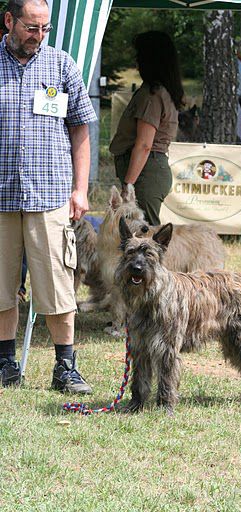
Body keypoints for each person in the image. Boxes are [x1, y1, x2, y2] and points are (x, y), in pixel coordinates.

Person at [0, 0, 97, 393]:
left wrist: (81, 188)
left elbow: (81, 129)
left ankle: (65, 368)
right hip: (1, 197)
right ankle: (5, 363)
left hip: (50, 194)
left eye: (45, 29)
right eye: (30, 28)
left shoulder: (61, 64)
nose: (38, 37)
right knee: (1, 286)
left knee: (57, 285)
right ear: (8, 21)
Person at [109, 30, 184, 226]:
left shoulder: (152, 95)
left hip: (145, 173)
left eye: (139, 55)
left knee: (146, 237)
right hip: (148, 170)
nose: (136, 61)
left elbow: (144, 145)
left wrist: (129, 185)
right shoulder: (162, 91)